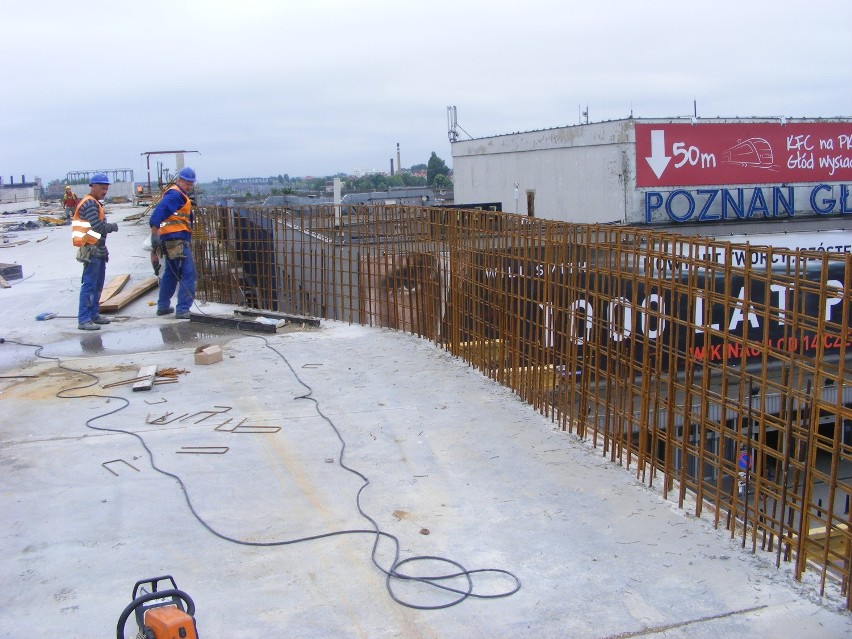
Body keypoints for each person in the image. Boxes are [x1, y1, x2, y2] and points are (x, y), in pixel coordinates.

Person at [71, 173, 118, 331]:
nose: (105, 191)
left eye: (106, 188)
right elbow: (97, 227)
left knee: (97, 285)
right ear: (93, 186)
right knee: (90, 285)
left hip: (97, 248)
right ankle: (84, 319)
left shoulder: (95, 203)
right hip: (90, 250)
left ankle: (93, 315)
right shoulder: (90, 204)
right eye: (102, 188)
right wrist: (112, 227)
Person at [150, 167, 197, 319]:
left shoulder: (177, 194)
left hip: (170, 239)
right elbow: (158, 213)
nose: (189, 186)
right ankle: (183, 309)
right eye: (187, 183)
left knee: (172, 272)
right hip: (176, 241)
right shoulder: (175, 195)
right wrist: (154, 233)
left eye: (191, 184)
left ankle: (163, 306)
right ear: (179, 180)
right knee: (188, 273)